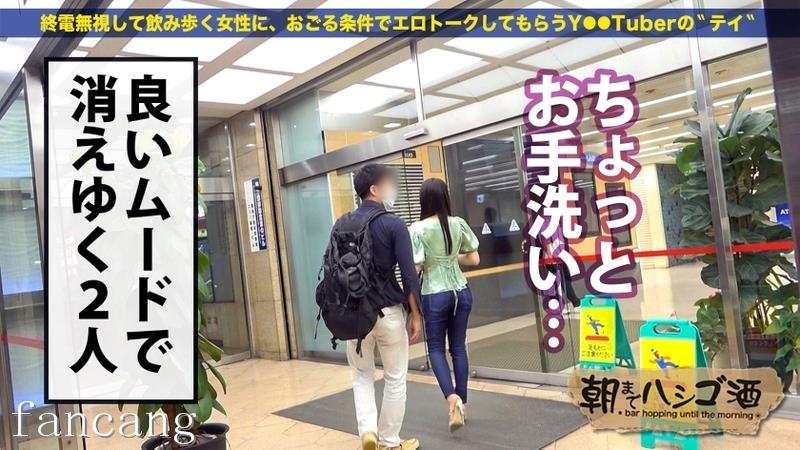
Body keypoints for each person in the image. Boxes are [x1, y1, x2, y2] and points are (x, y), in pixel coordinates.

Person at [347, 163, 423, 450]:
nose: (393, 188)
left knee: (361, 375)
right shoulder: (393, 224)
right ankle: (390, 441)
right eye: (388, 183)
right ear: (375, 189)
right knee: (395, 378)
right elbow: (409, 275)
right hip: (388, 311)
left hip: (354, 315)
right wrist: (416, 315)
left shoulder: (343, 223)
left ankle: (368, 432)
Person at [409, 178, 480, 433]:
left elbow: (415, 269)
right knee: (458, 347)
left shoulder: (417, 229)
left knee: (436, 349)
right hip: (462, 291)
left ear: (423, 200)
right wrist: (450, 257)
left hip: (435, 294)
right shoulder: (457, 223)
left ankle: (452, 399)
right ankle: (463, 403)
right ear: (445, 197)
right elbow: (474, 258)